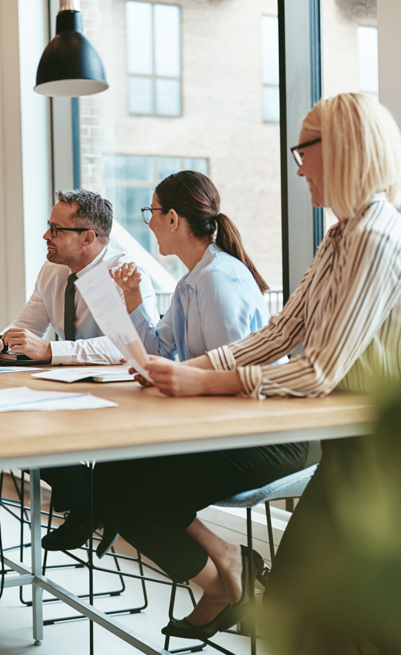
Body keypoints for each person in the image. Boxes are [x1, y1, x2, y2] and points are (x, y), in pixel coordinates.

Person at [108, 93, 401, 646]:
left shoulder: (376, 238)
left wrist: (203, 380)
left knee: (323, 613)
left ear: (346, 149)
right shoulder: (340, 236)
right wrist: (190, 375)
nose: (299, 165)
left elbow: (319, 370)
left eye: (304, 150)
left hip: (396, 455)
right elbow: (282, 333)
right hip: (352, 443)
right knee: (307, 612)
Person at [93, 170, 307, 640]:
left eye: (151, 212)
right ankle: (226, 566)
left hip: (268, 437)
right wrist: (133, 302)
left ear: (173, 218)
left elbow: (238, 383)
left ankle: (222, 578)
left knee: (134, 494)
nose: (147, 222)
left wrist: (178, 384)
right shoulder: (193, 279)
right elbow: (164, 352)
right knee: (111, 473)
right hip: (220, 426)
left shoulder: (219, 282)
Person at [0, 189, 157, 553]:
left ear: (88, 238)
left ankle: (88, 502)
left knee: (31, 419)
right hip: (72, 387)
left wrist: (52, 350)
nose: (46, 236)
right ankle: (89, 498)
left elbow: (128, 346)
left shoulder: (125, 274)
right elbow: (26, 328)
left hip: (122, 396)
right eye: (49, 227)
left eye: (56, 229)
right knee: (4, 417)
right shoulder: (52, 272)